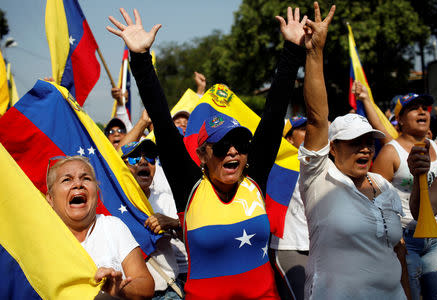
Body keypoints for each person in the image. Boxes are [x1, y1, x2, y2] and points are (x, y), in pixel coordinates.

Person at [107, 5, 309, 299]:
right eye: (222, 145)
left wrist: (292, 49)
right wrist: (140, 58)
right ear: (202, 154)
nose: (232, 152)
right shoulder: (189, 187)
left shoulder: (253, 179)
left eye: (239, 145)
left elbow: (275, 112)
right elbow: (162, 122)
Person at [296, 3, 408, 298]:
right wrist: (315, 51)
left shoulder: (384, 186)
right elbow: (318, 117)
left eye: (369, 141)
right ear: (332, 148)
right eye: (354, 142)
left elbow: (398, 251)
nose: (365, 149)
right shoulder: (319, 178)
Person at [372, 93, 437, 300]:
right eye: (414, 108)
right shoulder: (390, 152)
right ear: (400, 119)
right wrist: (393, 238)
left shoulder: (435, 146)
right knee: (411, 296)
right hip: (406, 240)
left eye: (425, 108)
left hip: (436, 237)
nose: (422, 111)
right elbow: (374, 199)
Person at [45, 156, 154, 299]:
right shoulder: (42, 239)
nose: (78, 184)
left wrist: (118, 289)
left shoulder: (112, 226)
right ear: (50, 199)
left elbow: (146, 285)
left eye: (86, 179)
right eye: (67, 179)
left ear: (96, 193)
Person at [121, 140, 184, 299]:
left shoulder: (166, 201)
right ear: (122, 166)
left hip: (168, 292)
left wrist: (173, 224)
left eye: (149, 158)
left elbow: (193, 240)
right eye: (134, 158)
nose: (143, 162)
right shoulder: (114, 205)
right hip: (129, 294)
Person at [269, 115, 309, 300]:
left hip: (319, 247)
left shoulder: (322, 163)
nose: (309, 132)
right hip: (290, 247)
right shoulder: (276, 168)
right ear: (289, 139)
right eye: (302, 129)